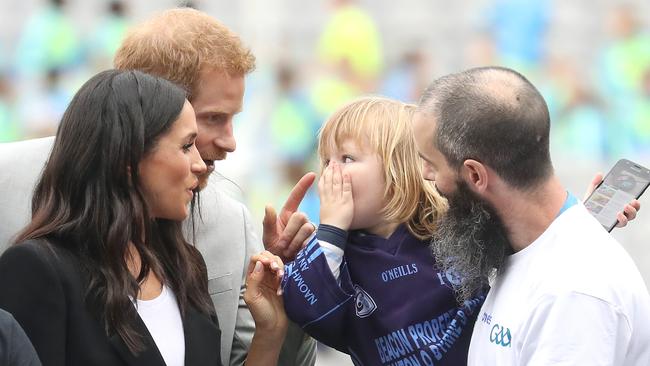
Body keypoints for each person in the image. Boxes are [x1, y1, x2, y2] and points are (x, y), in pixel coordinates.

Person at [0, 8, 317, 366]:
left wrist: (289, 295)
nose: (230, 143)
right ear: (138, 119)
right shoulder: (11, 193)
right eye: (211, 120)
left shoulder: (201, 252)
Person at [412, 66, 650, 365]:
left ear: (474, 174)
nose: (425, 175)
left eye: (431, 163)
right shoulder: (523, 249)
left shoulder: (573, 294)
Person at [282, 97, 485, 365]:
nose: (331, 172)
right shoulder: (335, 253)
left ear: (398, 170)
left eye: (347, 158)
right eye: (326, 161)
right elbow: (305, 311)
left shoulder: (451, 230)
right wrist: (331, 231)